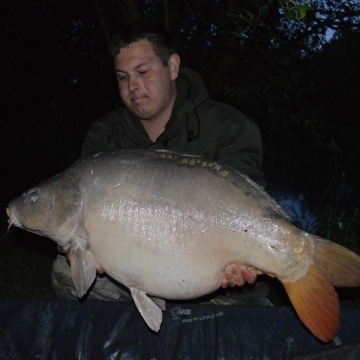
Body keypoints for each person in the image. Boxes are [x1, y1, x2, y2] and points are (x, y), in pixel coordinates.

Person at [51, 21, 271, 305]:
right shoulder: (104, 136)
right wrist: (73, 246)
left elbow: (249, 204)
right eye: (122, 76)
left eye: (143, 72)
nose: (132, 87)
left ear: (173, 67)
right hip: (131, 273)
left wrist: (243, 260)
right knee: (65, 272)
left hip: (211, 276)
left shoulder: (230, 127)